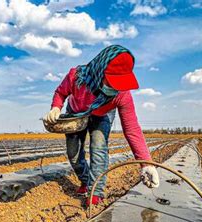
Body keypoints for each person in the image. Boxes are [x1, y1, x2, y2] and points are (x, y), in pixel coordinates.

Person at [43, 45, 159, 206]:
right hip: (76, 114)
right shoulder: (76, 77)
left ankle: (95, 190)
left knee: (98, 148)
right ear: (100, 69)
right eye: (111, 82)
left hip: (102, 115)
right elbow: (61, 92)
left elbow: (132, 129)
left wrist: (147, 164)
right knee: (73, 153)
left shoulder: (122, 94)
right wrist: (56, 107)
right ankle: (85, 181)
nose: (115, 88)